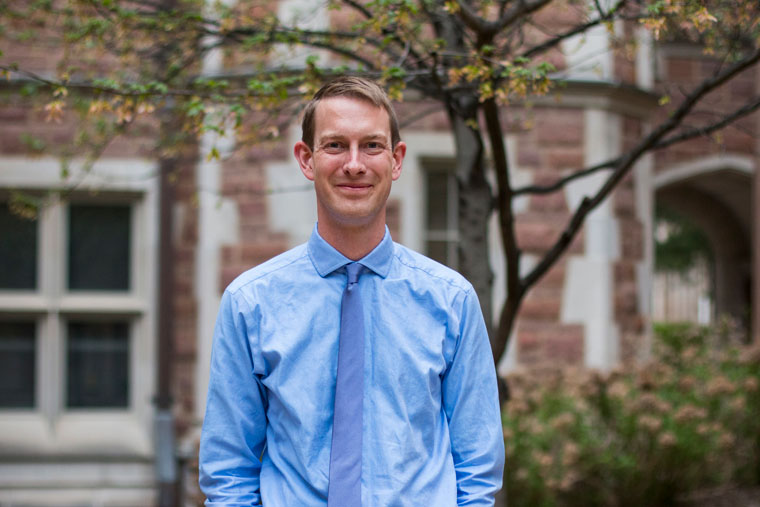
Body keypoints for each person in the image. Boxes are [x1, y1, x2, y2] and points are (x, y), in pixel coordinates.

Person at [199, 76, 504, 506]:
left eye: (372, 146)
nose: (355, 164)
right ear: (306, 160)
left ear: (396, 160)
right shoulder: (250, 303)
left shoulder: (451, 301)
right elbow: (228, 470)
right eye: (336, 145)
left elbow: (477, 467)